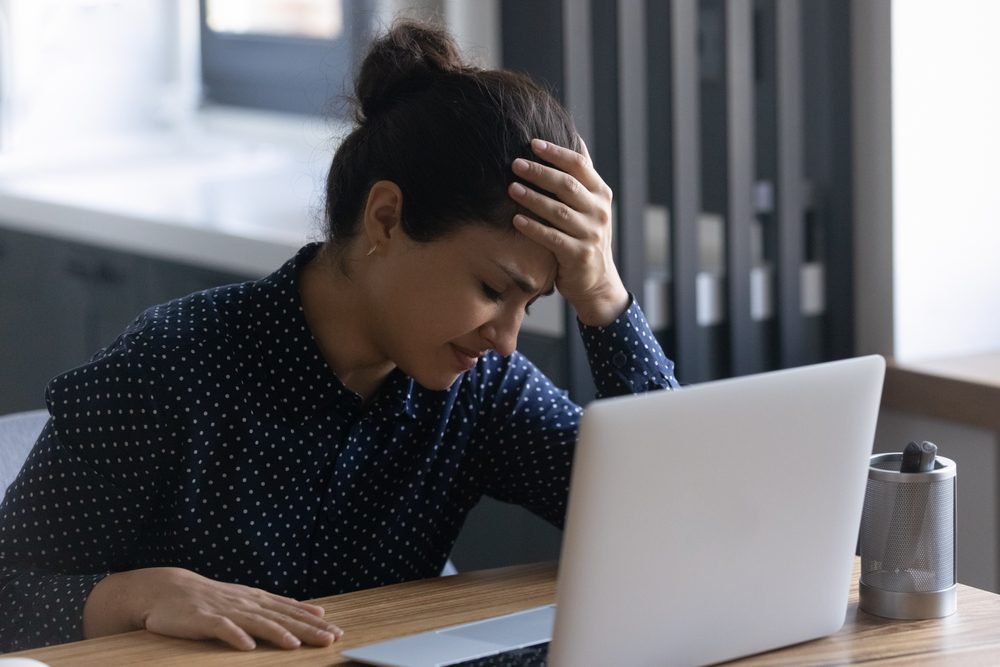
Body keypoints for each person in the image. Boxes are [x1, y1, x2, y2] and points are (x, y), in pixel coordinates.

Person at [0, 21, 679, 653]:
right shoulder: (172, 366)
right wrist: (133, 594)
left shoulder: (483, 390)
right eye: (491, 289)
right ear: (385, 218)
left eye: (531, 303)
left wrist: (603, 298)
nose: (505, 340)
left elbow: (671, 526)